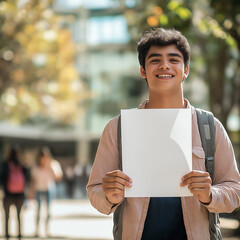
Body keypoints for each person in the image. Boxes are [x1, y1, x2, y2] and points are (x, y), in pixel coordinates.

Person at [86, 28, 240, 240]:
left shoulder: (209, 127)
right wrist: (108, 195)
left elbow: (235, 190)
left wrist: (210, 195)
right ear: (143, 70)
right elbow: (95, 191)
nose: (165, 65)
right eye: (155, 60)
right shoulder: (117, 128)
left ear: (186, 69)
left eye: (174, 59)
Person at [30, 146, 62, 237]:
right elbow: (33, 180)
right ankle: (37, 230)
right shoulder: (36, 166)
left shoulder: (53, 164)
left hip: (49, 189)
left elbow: (58, 177)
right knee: (38, 210)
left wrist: (50, 168)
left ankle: (47, 230)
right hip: (39, 189)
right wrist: (31, 192)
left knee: (48, 211)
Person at [0, 144, 30, 240]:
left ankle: (7, 235)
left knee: (7, 217)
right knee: (19, 216)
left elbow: (2, 179)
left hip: (8, 194)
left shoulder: (5, 164)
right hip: (20, 194)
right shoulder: (22, 165)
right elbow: (27, 178)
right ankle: (19, 235)